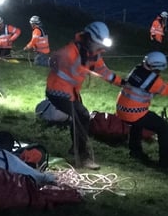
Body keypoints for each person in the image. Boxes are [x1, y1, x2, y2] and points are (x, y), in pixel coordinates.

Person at [45, 21, 124, 170]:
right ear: (88, 39)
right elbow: (52, 59)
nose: (100, 48)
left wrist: (121, 82)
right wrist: (52, 61)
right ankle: (81, 156)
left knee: (80, 117)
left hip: (71, 92)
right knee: (81, 116)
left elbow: (103, 71)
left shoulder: (93, 54)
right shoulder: (70, 51)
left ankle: (76, 148)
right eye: (97, 44)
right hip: (57, 92)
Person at [117, 51, 168, 170]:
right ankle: (167, 163)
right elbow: (165, 89)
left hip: (121, 109)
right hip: (134, 112)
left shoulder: (137, 70)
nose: (160, 72)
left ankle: (135, 151)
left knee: (137, 124)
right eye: (159, 69)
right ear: (155, 67)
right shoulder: (152, 80)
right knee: (163, 128)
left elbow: (159, 86)